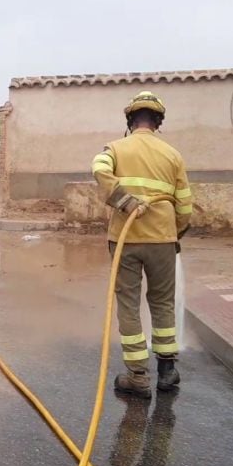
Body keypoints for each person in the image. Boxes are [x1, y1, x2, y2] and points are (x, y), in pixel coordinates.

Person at [91, 91, 193, 397]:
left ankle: (137, 375)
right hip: (163, 239)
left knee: (129, 304)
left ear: (130, 120)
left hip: (126, 241)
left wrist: (123, 201)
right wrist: (175, 232)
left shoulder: (115, 149)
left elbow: (98, 167)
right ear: (158, 121)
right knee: (162, 303)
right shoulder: (173, 155)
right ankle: (167, 372)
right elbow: (185, 205)